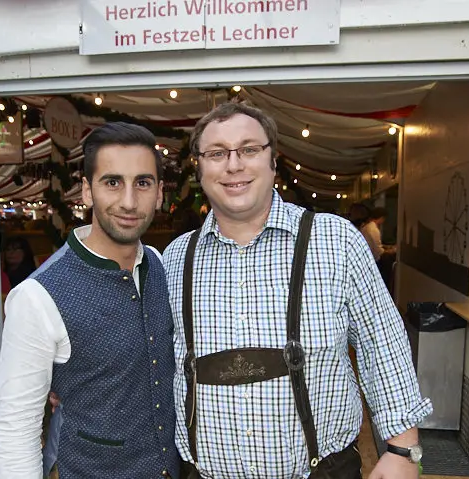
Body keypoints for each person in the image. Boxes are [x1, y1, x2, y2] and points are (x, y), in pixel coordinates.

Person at [163, 103, 432, 479]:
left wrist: (403, 450)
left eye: (249, 149)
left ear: (273, 160)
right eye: (217, 153)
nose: (233, 165)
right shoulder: (176, 258)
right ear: (200, 168)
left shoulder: (335, 240)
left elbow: (382, 343)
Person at [0, 122, 179, 478]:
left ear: (159, 193)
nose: (129, 201)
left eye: (142, 183)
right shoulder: (37, 296)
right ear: (86, 191)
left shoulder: (158, 265)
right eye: (112, 182)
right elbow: (17, 429)